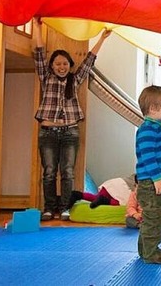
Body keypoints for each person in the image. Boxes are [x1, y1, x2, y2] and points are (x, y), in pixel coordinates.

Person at [33, 17, 111, 221]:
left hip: (70, 132)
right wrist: (37, 27)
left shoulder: (74, 79)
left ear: (69, 65)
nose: (61, 67)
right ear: (52, 66)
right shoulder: (46, 77)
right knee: (49, 171)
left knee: (67, 171)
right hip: (48, 132)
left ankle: (66, 207)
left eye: (65, 63)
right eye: (58, 64)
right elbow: (39, 53)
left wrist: (102, 38)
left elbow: (90, 60)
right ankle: (49, 208)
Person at [135, 85, 161, 265]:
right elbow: (148, 156)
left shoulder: (156, 128)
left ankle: (148, 249)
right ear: (153, 109)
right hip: (150, 183)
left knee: (156, 218)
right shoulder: (147, 130)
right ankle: (150, 253)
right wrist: (157, 178)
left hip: (156, 182)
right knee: (154, 220)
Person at [68, 175, 136, 209]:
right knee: (126, 203)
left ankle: (79, 195)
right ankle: (104, 200)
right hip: (122, 187)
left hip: (112, 184)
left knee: (96, 197)